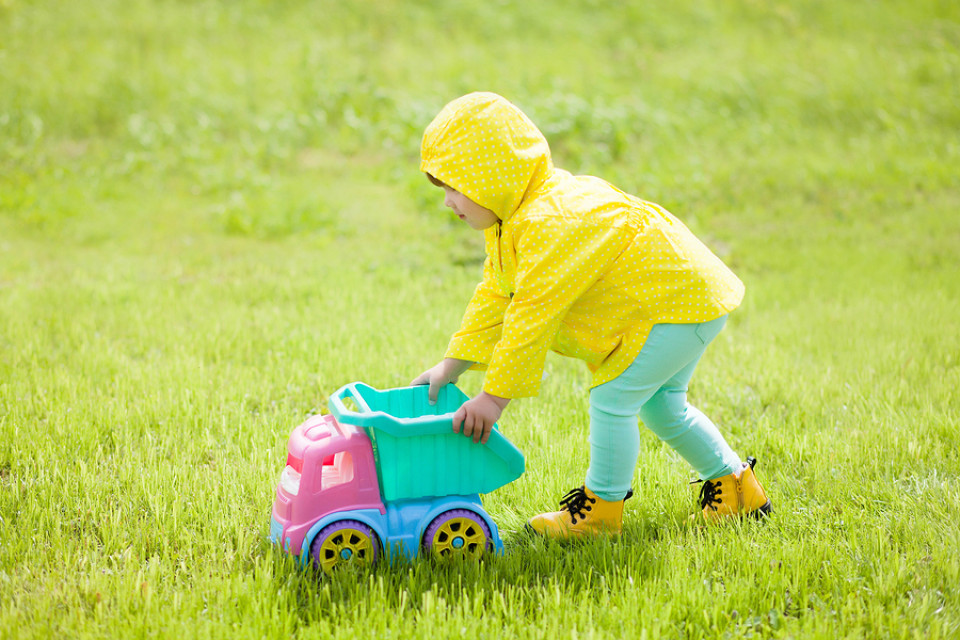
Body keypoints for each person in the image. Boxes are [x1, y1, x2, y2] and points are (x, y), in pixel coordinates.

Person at [411, 92, 770, 538]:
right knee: (662, 407)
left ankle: (602, 510)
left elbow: (532, 314)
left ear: (492, 179)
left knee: (614, 399)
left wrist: (494, 398)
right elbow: (497, 295)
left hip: (673, 302)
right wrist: (454, 364)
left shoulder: (546, 222)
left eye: (453, 186)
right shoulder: (514, 221)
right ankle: (738, 488)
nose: (447, 201)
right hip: (684, 298)